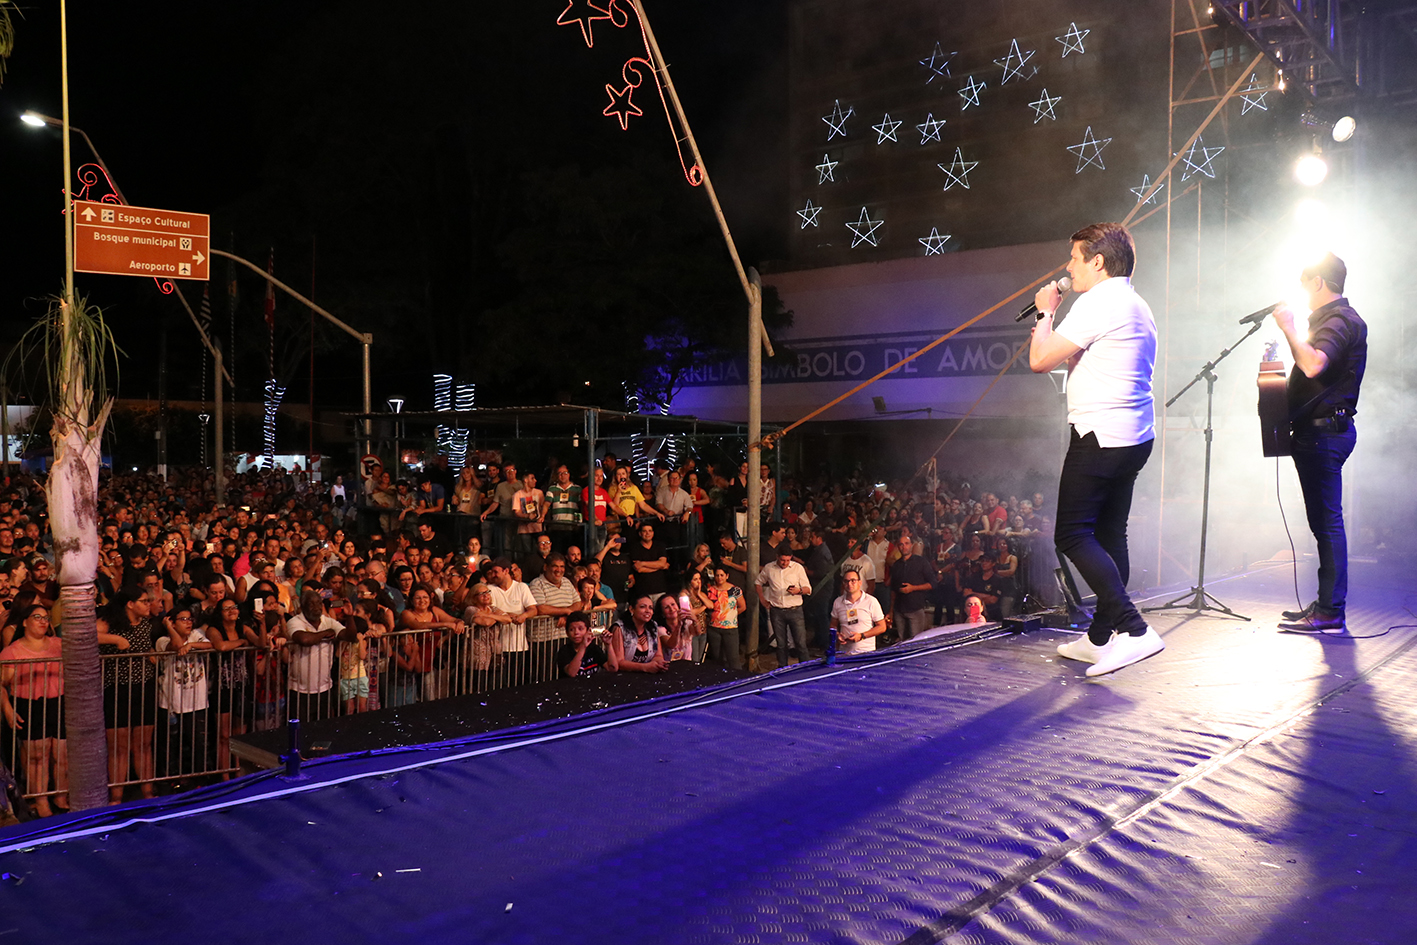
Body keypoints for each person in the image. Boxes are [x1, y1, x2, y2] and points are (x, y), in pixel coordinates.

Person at [1029, 221, 1163, 676]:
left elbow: (1039, 360)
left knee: (1071, 534)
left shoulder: (1098, 302)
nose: (1069, 268)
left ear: (1098, 261)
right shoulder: (1136, 304)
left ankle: (1134, 629)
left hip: (1099, 436)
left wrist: (1045, 313)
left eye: (1074, 259)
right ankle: (1100, 637)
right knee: (1110, 535)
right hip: (1133, 437)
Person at [1273, 252, 1366, 631]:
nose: (1302, 293)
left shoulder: (1340, 320)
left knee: (1327, 524)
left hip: (1325, 434)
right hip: (1319, 432)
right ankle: (1327, 604)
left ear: (1318, 282)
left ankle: (1330, 611)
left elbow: (1313, 364)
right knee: (1323, 523)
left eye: (1304, 285)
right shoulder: (1334, 320)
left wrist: (1288, 328)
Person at [0, 605, 67, 816]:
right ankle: (41, 799)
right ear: (25, 622)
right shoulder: (12, 651)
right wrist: (8, 709)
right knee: (37, 755)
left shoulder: (59, 644)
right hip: (30, 704)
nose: (43, 621)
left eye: (46, 617)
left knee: (61, 752)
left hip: (59, 701)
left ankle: (61, 794)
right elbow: (1, 684)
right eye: (37, 617)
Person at [755, 544, 810, 668]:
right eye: (782, 560)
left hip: (795, 610)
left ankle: (806, 669)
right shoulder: (769, 568)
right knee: (781, 644)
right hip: (777, 610)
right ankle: (782, 668)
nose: (785, 563)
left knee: (800, 643)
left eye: (787, 560)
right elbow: (758, 582)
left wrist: (799, 590)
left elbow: (808, 588)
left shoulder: (797, 568)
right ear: (777, 557)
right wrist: (762, 599)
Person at [831, 568, 887, 657]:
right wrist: (837, 635)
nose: (849, 584)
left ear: (860, 583)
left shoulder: (871, 601)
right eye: (846, 581)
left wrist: (862, 636)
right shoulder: (838, 602)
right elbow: (832, 625)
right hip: (844, 653)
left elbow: (882, 627)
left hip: (866, 653)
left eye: (853, 581)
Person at [703, 564, 744, 669]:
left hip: (730, 628)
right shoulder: (710, 590)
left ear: (727, 576)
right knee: (717, 657)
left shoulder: (735, 590)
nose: (719, 578)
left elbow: (742, 607)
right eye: (717, 575)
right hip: (714, 628)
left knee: (733, 658)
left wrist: (730, 615)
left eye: (722, 575)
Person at [556, 610, 616, 677]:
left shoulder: (594, 648)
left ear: (588, 630)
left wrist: (609, 645)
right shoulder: (564, 651)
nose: (576, 633)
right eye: (571, 629)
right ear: (567, 633)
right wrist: (583, 646)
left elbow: (613, 669)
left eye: (580, 629)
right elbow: (572, 673)